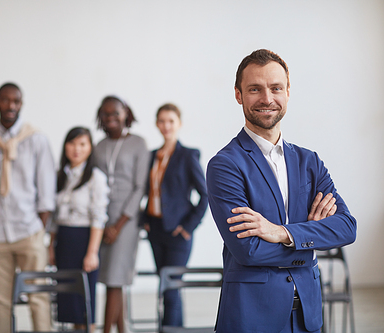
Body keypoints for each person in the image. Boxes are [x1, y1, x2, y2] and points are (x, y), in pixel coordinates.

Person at [206, 49, 357, 333]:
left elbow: (347, 228)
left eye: (276, 88)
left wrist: (282, 233)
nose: (266, 98)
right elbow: (248, 250)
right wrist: (310, 247)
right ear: (238, 94)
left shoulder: (309, 161)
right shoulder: (225, 165)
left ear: (288, 92)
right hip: (252, 317)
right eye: (255, 89)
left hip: (307, 317)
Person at [0, 82, 55, 332]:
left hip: (28, 231)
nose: (11, 106)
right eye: (6, 100)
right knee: (1, 301)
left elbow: (46, 187)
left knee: (38, 297)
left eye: (16, 101)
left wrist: (40, 226)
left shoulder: (36, 139)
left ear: (21, 104)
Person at [141, 103, 208, 326]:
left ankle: (172, 329)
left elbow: (205, 195)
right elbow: (143, 192)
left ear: (179, 124)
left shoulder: (188, 155)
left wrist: (188, 227)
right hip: (156, 229)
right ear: (156, 124)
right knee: (164, 287)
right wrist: (145, 221)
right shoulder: (151, 156)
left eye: (171, 121)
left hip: (178, 232)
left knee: (171, 289)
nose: (166, 126)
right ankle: (168, 328)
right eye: (162, 121)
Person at [94, 95, 150, 333]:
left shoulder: (138, 143)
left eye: (115, 113)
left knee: (115, 280)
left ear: (125, 113)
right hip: (101, 220)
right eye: (106, 114)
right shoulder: (98, 146)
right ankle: (121, 329)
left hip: (126, 221)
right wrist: (102, 222)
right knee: (109, 277)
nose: (111, 118)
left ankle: (106, 330)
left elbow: (140, 187)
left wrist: (118, 224)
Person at [49, 127, 109, 331]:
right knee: (67, 301)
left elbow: (98, 218)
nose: (77, 149)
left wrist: (92, 253)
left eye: (82, 144)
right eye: (72, 143)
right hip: (63, 240)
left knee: (85, 299)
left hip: (84, 240)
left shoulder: (95, 177)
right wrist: (51, 246)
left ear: (90, 148)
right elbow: (54, 217)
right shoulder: (60, 176)